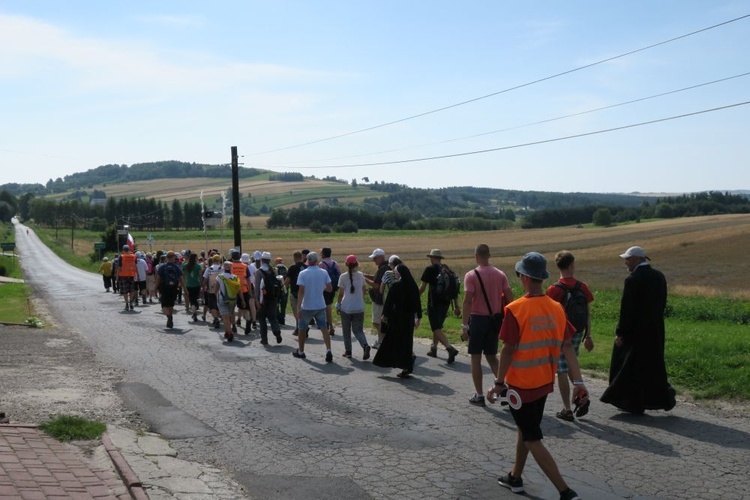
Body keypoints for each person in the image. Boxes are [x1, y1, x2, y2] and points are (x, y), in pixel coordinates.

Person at [486, 252, 588, 500]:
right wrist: (578, 382)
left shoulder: (516, 309)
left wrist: (498, 384)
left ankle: (566, 492)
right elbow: (567, 348)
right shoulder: (556, 308)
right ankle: (515, 477)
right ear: (542, 278)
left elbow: (507, 350)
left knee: (532, 437)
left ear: (522, 277)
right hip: (544, 383)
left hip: (520, 387)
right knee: (525, 429)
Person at [600, 246, 676, 414]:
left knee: (630, 367)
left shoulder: (633, 280)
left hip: (636, 332)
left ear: (636, 259)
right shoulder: (659, 276)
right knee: (653, 365)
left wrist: (621, 333)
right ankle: (660, 398)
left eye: (627, 259)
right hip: (655, 330)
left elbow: (627, 310)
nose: (625, 262)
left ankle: (630, 400)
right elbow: (662, 303)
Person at [461, 244, 514, 407]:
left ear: (476, 256)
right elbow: (510, 298)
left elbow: (467, 301)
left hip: (477, 319)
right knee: (492, 356)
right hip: (494, 320)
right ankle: (503, 387)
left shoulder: (471, 275)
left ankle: (479, 394)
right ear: (489, 255)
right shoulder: (500, 274)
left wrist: (464, 326)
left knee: (475, 357)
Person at [546, 250, 595, 421]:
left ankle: (567, 408)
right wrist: (588, 336)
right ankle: (581, 397)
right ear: (571, 265)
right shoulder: (582, 287)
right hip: (578, 332)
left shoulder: (553, 290)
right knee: (572, 364)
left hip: (560, 334)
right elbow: (587, 313)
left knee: (561, 370)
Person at [373, 264, 422, 378]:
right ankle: (407, 367)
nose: (394, 273)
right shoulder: (413, 285)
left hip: (397, 318)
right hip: (408, 319)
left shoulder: (396, 286)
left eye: (395, 271)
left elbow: (389, 302)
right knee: (407, 343)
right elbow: (417, 303)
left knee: (391, 341)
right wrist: (418, 317)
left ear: (399, 273)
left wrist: (384, 315)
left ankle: (384, 362)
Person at [419, 249, 460, 363]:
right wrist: (456, 306)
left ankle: (449, 348)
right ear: (440, 259)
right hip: (446, 303)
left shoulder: (429, 269)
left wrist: (413, 297)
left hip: (434, 303)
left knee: (435, 327)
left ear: (432, 258)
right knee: (438, 326)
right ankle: (434, 348)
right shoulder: (447, 270)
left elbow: (422, 288)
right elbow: (454, 290)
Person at [293, 252, 333, 362]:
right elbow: (329, 288)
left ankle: (301, 351)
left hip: (307, 305)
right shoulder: (323, 272)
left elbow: (301, 291)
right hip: (320, 304)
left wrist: (298, 306)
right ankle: (328, 349)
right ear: (316, 260)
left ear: (307, 260)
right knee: (324, 329)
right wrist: (321, 287)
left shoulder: (303, 273)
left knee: (302, 329)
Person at [335, 255, 371, 360]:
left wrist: (338, 305)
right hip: (359, 307)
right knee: (358, 330)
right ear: (357, 264)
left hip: (346, 307)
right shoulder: (361, 276)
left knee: (346, 330)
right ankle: (365, 345)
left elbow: (341, 294)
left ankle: (348, 351)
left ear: (346, 264)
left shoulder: (343, 277)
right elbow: (364, 290)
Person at [154, 251, 188, 329]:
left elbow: (158, 279)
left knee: (164, 305)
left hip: (164, 287)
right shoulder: (177, 267)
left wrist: (155, 288)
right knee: (171, 304)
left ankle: (169, 317)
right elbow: (181, 279)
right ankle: (170, 316)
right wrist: (185, 289)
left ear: (167, 258)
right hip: (174, 287)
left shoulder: (162, 267)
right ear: (173, 258)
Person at [364, 248, 389, 349]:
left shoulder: (383, 269)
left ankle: (382, 341)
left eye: (375, 258)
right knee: (380, 322)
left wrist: (364, 278)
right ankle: (381, 340)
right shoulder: (385, 267)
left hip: (379, 299)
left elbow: (376, 285)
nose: (374, 260)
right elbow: (376, 278)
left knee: (376, 322)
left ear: (381, 257)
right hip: (383, 299)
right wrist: (365, 275)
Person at [256, 251, 282, 345]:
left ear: (262, 260)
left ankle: (264, 339)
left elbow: (257, 288)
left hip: (263, 299)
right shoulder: (274, 270)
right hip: (273, 297)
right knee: (272, 317)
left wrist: (257, 300)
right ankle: (276, 331)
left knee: (262, 319)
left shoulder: (259, 271)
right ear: (269, 260)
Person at [216, 260, 246, 342]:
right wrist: (242, 300)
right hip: (233, 299)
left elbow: (216, 289)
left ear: (223, 267)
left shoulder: (220, 277)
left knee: (225, 317)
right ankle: (227, 331)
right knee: (229, 315)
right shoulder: (235, 277)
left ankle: (230, 333)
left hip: (223, 299)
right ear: (231, 268)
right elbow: (239, 290)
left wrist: (216, 298)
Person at [319, 247, 341, 337]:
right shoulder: (335, 263)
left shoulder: (321, 264)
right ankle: (329, 326)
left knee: (326, 307)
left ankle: (329, 327)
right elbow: (339, 274)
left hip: (325, 288)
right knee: (328, 306)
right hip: (333, 287)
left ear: (323, 254)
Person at [285, 251, 305, 337]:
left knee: (296, 310)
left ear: (295, 258)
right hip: (305, 292)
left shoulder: (292, 267)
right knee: (303, 311)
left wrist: (283, 287)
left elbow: (287, 281)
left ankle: (299, 327)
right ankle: (302, 326)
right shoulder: (306, 267)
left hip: (294, 292)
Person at [183, 252, 203, 322]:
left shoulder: (185, 265)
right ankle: (195, 309)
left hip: (188, 285)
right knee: (195, 298)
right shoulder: (198, 266)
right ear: (195, 258)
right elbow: (200, 276)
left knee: (192, 300)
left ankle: (194, 312)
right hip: (196, 285)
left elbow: (183, 275)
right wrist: (202, 284)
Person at [117, 245, 138, 311]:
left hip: (123, 276)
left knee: (125, 291)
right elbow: (135, 266)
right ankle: (131, 302)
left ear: (123, 250)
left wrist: (117, 277)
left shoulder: (121, 257)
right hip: (132, 275)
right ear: (129, 249)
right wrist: (137, 275)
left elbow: (119, 267)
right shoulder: (134, 256)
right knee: (131, 290)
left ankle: (126, 304)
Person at [274, 257, 289, 325]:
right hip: (285, 288)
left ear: (276, 262)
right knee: (283, 305)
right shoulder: (286, 268)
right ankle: (282, 318)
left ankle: (278, 317)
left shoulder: (275, 268)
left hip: (277, 289)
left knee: (276, 303)